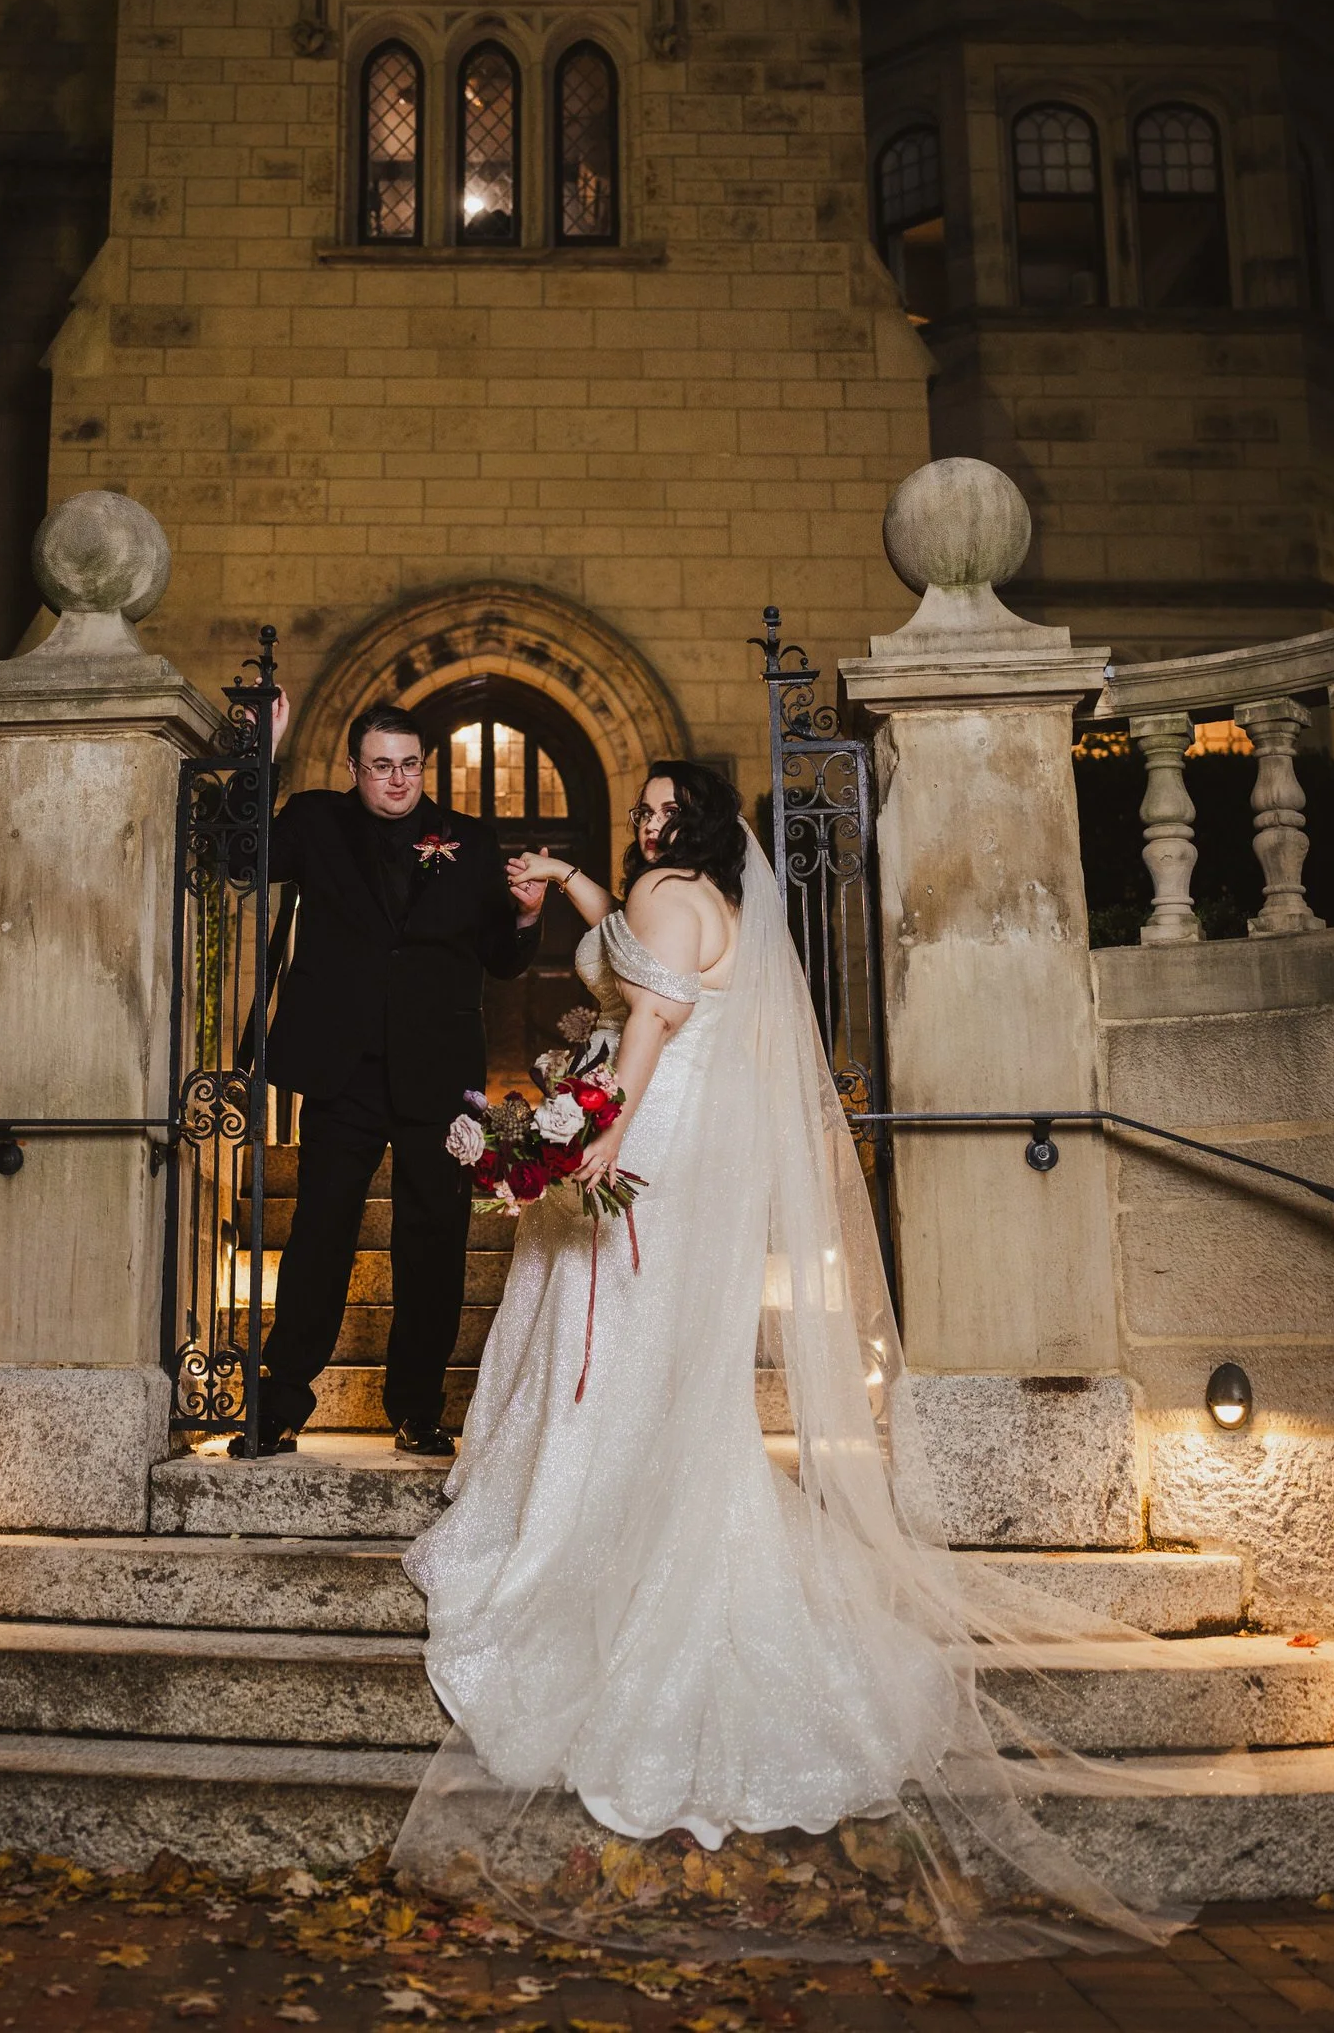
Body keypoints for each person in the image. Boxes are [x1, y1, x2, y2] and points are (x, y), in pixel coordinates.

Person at [394, 761, 1211, 1958]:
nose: (642, 818)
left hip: (647, 1141)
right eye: (641, 805)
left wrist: (582, 1138)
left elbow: (652, 1030)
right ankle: (595, 1486)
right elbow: (631, 952)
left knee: (608, 1332)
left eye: (658, 806)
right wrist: (571, 881)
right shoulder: (692, 898)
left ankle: (574, 1525)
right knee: (636, 1345)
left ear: (694, 825)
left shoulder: (671, 893)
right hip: (672, 1147)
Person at [239, 694, 547, 1459]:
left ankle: (416, 1408)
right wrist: (258, 757)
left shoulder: (471, 843)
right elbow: (240, 859)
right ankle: (280, 1405)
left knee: (432, 1241)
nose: (398, 780)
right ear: (354, 768)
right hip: (341, 1071)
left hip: (438, 1076)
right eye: (381, 766)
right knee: (318, 1235)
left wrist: (525, 918)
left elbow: (502, 964)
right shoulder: (315, 821)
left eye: (410, 765)